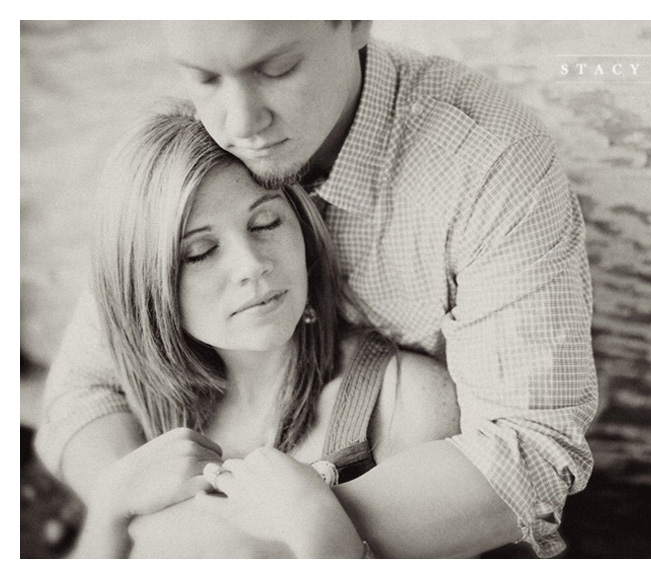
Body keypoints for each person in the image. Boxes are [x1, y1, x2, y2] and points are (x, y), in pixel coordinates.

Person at [37, 21, 598, 557]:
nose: (237, 124)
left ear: (354, 22)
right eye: (203, 77)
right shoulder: (197, 142)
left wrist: (271, 536)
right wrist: (134, 507)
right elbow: (87, 386)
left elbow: (533, 452)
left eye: (278, 68)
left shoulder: (487, 161)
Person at [70, 104, 460, 558]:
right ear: (148, 287)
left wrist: (320, 528)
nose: (252, 266)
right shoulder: (146, 415)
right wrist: (108, 508)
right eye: (200, 252)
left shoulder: (402, 403)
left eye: (265, 223)